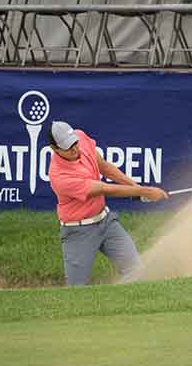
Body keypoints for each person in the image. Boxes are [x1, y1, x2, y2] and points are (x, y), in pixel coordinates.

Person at [48, 121, 169, 285]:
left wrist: (135, 187)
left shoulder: (81, 139)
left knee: (136, 270)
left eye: (74, 143)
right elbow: (105, 188)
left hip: (106, 222)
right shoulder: (60, 176)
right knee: (76, 289)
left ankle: (124, 306)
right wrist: (145, 192)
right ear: (55, 149)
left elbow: (104, 167)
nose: (75, 149)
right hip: (78, 231)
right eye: (68, 147)